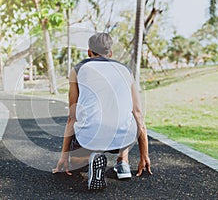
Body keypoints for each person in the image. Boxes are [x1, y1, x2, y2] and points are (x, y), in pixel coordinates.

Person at [52, 33, 152, 190]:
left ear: (89, 52)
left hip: (89, 137)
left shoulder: (78, 70)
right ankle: (123, 164)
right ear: (110, 53)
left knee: (77, 165)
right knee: (125, 116)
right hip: (121, 139)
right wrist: (144, 155)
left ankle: (91, 157)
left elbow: (73, 116)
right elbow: (138, 114)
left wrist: (64, 157)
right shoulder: (126, 71)